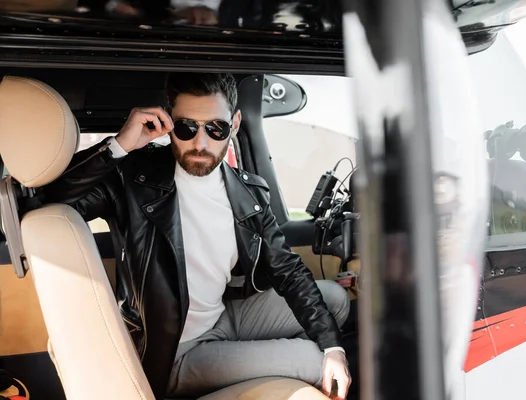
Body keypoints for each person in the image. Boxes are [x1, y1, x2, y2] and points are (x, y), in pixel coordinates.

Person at [42, 72, 351, 399]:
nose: (200, 143)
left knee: (335, 300)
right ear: (168, 121)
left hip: (223, 320)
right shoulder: (133, 176)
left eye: (216, 129)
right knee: (312, 360)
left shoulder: (248, 192)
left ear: (234, 124)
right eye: (187, 127)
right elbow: (47, 200)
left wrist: (334, 347)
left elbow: (287, 270)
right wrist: (118, 146)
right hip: (174, 351)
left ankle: (247, 362)